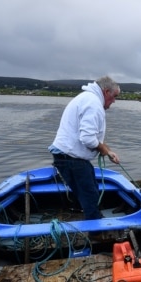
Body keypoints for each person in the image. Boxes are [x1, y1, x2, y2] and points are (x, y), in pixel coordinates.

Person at [48, 76, 121, 219]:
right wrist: (103, 149)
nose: (114, 101)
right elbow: (87, 138)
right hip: (71, 158)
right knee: (90, 195)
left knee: (90, 188)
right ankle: (96, 232)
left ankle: (81, 213)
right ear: (106, 92)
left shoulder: (88, 98)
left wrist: (108, 151)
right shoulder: (93, 104)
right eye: (114, 97)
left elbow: (91, 137)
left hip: (68, 156)